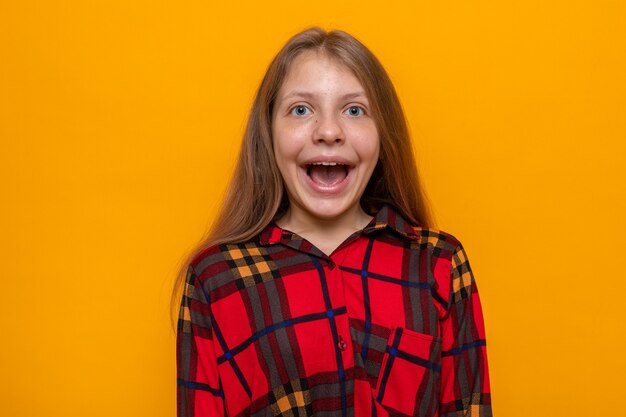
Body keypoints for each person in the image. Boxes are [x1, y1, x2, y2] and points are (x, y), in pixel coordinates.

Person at [173, 27, 492, 417]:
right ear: (269, 132)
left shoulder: (438, 263)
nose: (328, 132)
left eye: (354, 110)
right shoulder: (215, 278)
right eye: (301, 109)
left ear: (382, 134)